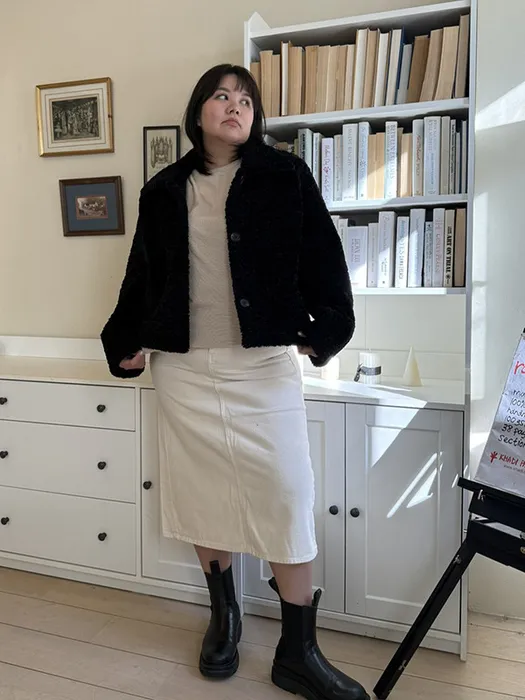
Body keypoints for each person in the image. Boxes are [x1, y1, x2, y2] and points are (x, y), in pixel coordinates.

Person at [101, 63, 368, 700]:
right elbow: (143, 275)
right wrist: (124, 340)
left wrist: (326, 328)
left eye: (245, 100)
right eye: (221, 96)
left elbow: (323, 259)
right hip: (184, 370)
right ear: (199, 111)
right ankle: (225, 617)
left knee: (286, 494)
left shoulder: (285, 176)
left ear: (256, 117)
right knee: (203, 496)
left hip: (263, 365)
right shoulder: (164, 189)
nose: (234, 106)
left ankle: (298, 651)